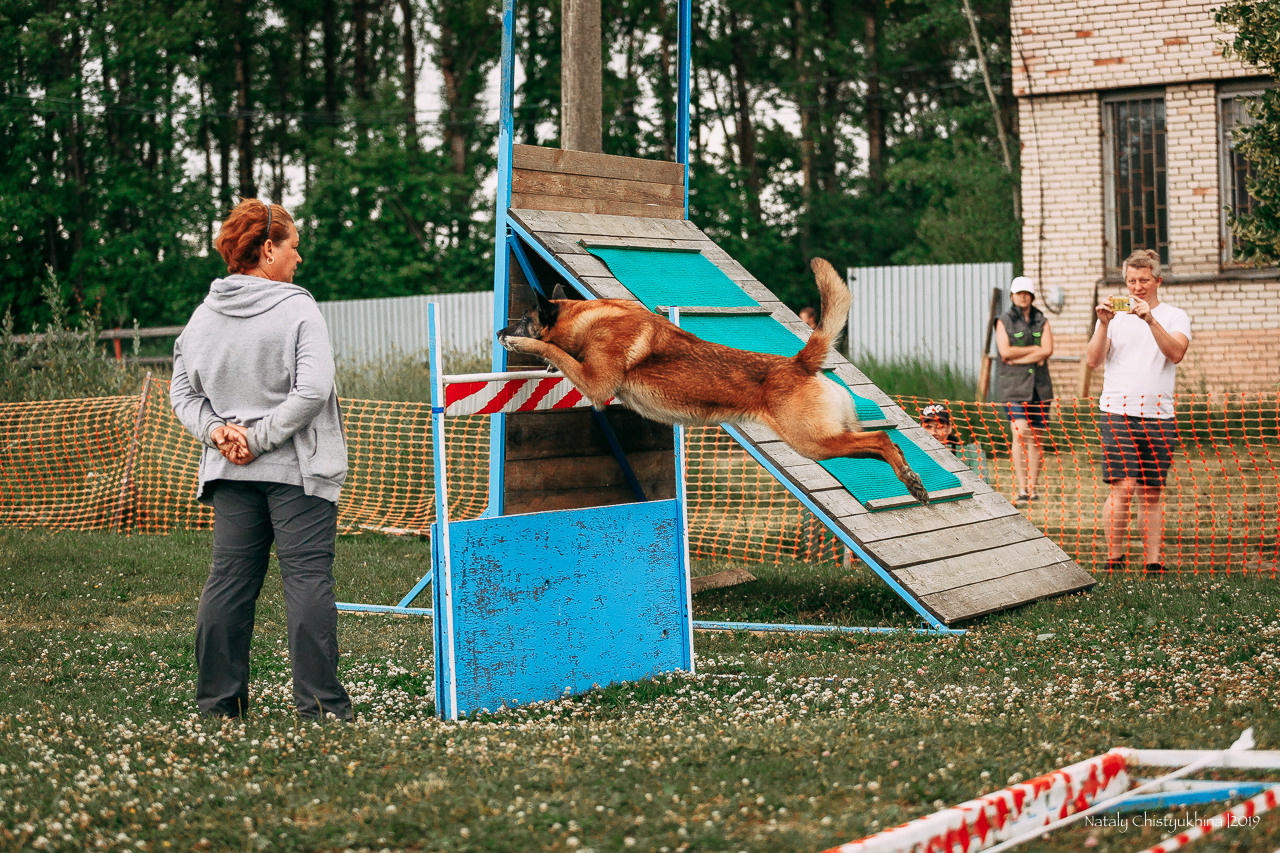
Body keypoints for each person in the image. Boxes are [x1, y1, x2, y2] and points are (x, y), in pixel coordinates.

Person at [170, 199, 353, 721]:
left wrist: (218, 432)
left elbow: (182, 393)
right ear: (268, 248)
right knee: (307, 579)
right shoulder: (298, 308)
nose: (300, 259)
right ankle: (321, 709)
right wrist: (262, 438)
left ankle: (216, 707)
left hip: (229, 471)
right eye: (294, 247)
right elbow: (314, 388)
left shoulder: (201, 317)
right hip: (295, 470)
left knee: (228, 581)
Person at [1084, 249, 1191, 574]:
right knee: (1124, 486)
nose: (1137, 287)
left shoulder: (1174, 315)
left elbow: (1176, 353)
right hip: (1117, 411)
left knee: (1151, 490)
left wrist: (1149, 319)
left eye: (1144, 280)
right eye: (1131, 281)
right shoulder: (1114, 319)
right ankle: (1114, 558)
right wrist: (1103, 324)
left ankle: (1153, 562)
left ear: (1157, 280)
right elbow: (1092, 360)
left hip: (1159, 415)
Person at [994, 275, 1054, 504]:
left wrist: (1021, 357)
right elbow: (1005, 351)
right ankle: (1021, 488)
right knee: (1020, 433)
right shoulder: (1004, 321)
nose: (1023, 297)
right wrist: (1034, 352)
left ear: (1032, 296)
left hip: (1040, 388)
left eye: (1026, 293)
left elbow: (1048, 349)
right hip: (1014, 388)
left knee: (1037, 438)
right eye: (1018, 293)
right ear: (1012, 296)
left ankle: (1033, 488)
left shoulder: (1042, 320)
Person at [920, 402, 985, 477]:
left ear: (949, 428)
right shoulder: (912, 453)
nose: (933, 432)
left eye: (939, 427)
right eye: (928, 427)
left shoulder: (968, 455)